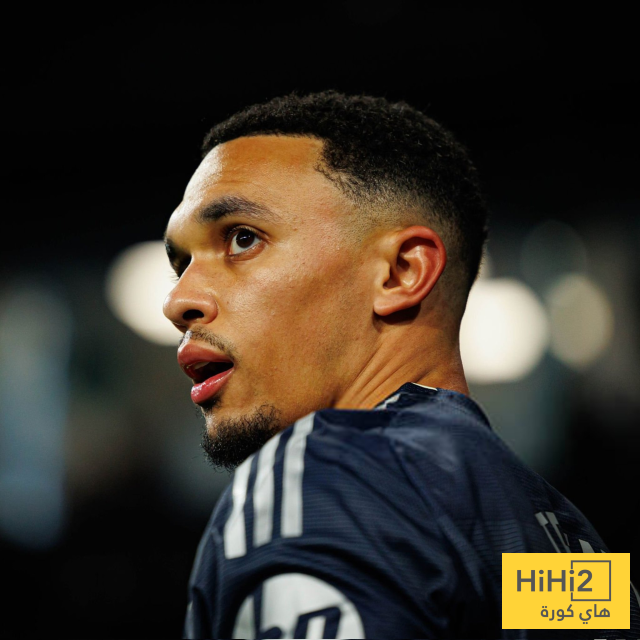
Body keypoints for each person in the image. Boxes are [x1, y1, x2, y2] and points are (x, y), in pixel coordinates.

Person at [162, 92, 639, 639]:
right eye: (182, 263)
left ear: (401, 272)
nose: (177, 301)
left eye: (242, 239)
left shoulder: (325, 475)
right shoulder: (568, 539)